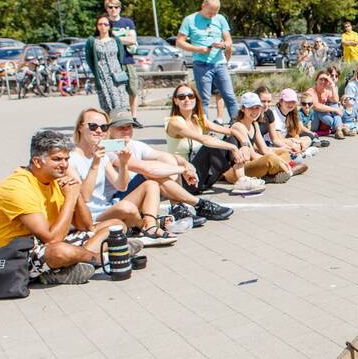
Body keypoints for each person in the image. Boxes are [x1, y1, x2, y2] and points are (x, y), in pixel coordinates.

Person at [0, 130, 112, 285]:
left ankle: (70, 265)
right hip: (16, 256)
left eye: (67, 159)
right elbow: (52, 239)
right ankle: (103, 258)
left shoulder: (55, 179)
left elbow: (85, 226)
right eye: (57, 159)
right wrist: (70, 199)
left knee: (114, 226)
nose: (64, 165)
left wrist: (76, 194)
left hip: (48, 243)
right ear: (37, 161)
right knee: (61, 251)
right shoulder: (16, 188)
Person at [68, 108, 176, 246]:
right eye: (93, 126)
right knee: (126, 207)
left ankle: (148, 226)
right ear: (80, 128)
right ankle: (147, 227)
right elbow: (84, 197)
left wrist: (124, 163)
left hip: (106, 209)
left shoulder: (102, 154)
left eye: (103, 127)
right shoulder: (71, 159)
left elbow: (121, 186)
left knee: (151, 184)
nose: (99, 130)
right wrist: (94, 166)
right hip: (88, 217)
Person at [104, 109, 233, 222]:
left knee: (166, 161)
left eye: (129, 126)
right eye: (121, 127)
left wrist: (183, 163)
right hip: (116, 201)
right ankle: (198, 204)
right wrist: (182, 170)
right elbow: (145, 168)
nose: (126, 130)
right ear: (109, 128)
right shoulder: (108, 146)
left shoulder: (133, 144)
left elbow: (164, 156)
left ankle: (178, 208)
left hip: (134, 194)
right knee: (150, 175)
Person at [164, 83, 266, 195]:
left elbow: (232, 131)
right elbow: (204, 140)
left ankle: (241, 179)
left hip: (204, 178)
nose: (187, 99)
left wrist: (245, 145)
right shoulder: (174, 122)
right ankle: (239, 178)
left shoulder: (198, 119)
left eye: (190, 96)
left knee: (232, 138)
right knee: (210, 145)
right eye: (182, 97)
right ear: (175, 101)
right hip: (185, 181)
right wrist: (233, 148)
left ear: (195, 99)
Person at [176, 0, 237, 122]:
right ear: (203, 6)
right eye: (210, 12)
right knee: (203, 98)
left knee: (229, 95)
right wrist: (199, 49)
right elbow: (179, 42)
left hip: (219, 63)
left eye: (215, 13)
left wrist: (224, 45)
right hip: (201, 63)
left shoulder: (220, 19)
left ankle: (237, 123)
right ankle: (204, 127)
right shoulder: (190, 20)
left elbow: (229, 40)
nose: (212, 16)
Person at [229, 92, 305, 181]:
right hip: (240, 168)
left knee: (283, 152)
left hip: (254, 163)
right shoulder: (238, 126)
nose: (255, 111)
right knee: (269, 159)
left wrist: (281, 153)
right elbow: (253, 155)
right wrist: (278, 161)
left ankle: (275, 173)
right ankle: (285, 171)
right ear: (242, 109)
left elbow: (264, 149)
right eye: (251, 108)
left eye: (257, 107)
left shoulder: (254, 124)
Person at [104, 0, 140, 122]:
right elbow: (104, 41)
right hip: (112, 62)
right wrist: (124, 39)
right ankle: (116, 119)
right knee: (114, 92)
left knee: (133, 90)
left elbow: (132, 40)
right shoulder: (105, 23)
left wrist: (116, 39)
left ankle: (133, 117)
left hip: (128, 60)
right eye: (110, 7)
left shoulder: (127, 22)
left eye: (116, 7)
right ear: (107, 9)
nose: (113, 10)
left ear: (119, 8)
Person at [84, 15, 128, 113]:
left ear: (109, 26)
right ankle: (110, 123)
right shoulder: (92, 41)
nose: (103, 26)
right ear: (97, 26)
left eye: (105, 24)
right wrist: (97, 72)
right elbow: (89, 59)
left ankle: (121, 122)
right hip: (103, 76)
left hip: (117, 75)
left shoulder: (115, 40)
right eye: (100, 24)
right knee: (107, 103)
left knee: (120, 102)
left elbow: (120, 56)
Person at [256, 87, 313, 156]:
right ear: (281, 101)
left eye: (293, 102)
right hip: (269, 144)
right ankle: (297, 152)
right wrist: (291, 144)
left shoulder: (291, 114)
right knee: (295, 148)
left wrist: (299, 142)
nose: (291, 104)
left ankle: (297, 151)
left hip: (278, 142)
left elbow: (295, 133)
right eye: (288, 101)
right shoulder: (273, 114)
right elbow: (277, 139)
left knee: (307, 139)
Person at [306, 71, 347, 139]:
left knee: (334, 104)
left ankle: (338, 130)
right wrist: (335, 110)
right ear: (316, 80)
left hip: (322, 122)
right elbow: (316, 106)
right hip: (312, 123)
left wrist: (332, 84)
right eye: (321, 79)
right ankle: (339, 127)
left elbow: (336, 100)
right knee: (318, 109)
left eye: (325, 80)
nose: (323, 81)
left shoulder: (326, 92)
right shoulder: (310, 91)